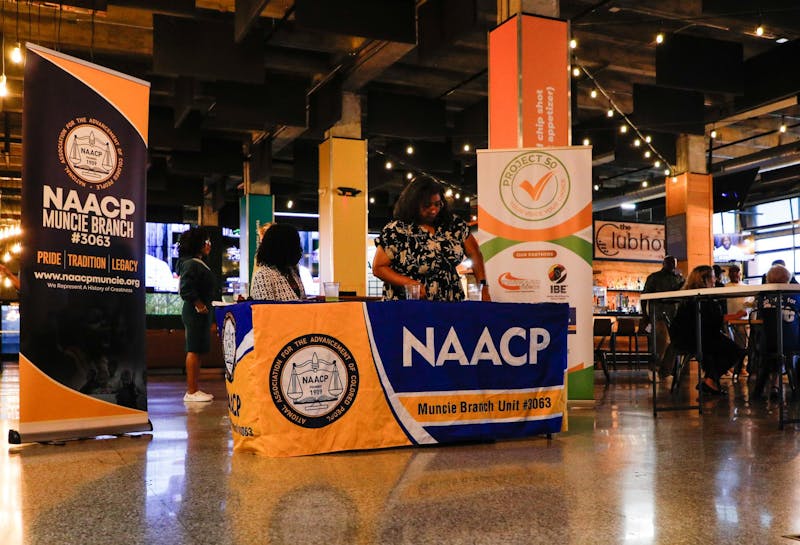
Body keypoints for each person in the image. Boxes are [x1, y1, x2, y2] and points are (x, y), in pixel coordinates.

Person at [373, 176, 490, 302]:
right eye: (427, 205)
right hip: (408, 306)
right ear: (413, 204)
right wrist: (408, 283)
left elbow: (475, 254)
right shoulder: (396, 230)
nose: (434, 210)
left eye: (437, 204)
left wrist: (483, 287)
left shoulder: (454, 225)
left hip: (449, 304)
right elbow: (378, 268)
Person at [669, 265, 746, 395]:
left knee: (716, 349)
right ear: (704, 279)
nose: (715, 279)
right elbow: (713, 319)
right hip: (696, 338)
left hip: (686, 337)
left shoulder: (689, 295)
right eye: (712, 276)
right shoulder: (702, 297)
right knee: (736, 351)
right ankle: (710, 380)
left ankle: (710, 381)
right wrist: (736, 316)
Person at [178, 227, 217, 403]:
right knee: (193, 349)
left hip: (201, 311)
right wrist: (199, 305)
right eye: (205, 242)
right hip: (195, 312)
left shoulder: (195, 262)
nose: (208, 245)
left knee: (198, 349)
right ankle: (191, 391)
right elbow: (185, 289)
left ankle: (195, 388)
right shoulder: (191, 263)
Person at [752, 264, 800, 400]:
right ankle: (795, 390)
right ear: (788, 280)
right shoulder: (796, 294)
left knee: (770, 353)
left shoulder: (763, 297)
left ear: (768, 280)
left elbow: (760, 314)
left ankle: (761, 390)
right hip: (792, 343)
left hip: (768, 343)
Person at [641, 255, 684, 380]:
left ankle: (665, 371)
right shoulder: (654, 278)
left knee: (674, 343)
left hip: (674, 315)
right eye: (669, 263)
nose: (672, 266)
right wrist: (645, 315)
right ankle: (653, 368)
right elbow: (644, 297)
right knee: (662, 340)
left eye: (674, 263)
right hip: (658, 314)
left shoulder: (678, 278)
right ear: (664, 263)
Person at [250, 223, 307, 301]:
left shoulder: (292, 271)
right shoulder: (264, 275)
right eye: (295, 245)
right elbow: (265, 311)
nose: (299, 249)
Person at [722, 264, 751, 379]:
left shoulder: (746, 287)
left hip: (742, 321)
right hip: (729, 319)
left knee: (743, 344)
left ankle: (742, 367)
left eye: (736, 272)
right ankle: (730, 366)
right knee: (729, 343)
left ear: (740, 274)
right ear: (729, 274)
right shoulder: (724, 287)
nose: (734, 274)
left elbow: (750, 302)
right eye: (732, 272)